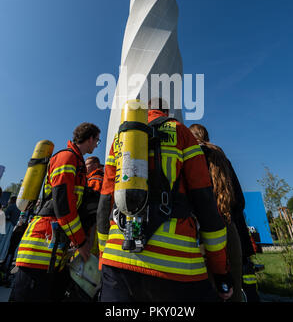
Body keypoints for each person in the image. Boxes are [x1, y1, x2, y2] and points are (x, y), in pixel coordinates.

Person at [97, 98, 233, 302]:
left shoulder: (121, 138)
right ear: (166, 111)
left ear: (148, 110)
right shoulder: (181, 132)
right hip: (177, 266)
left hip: (117, 259)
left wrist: (103, 256)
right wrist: (221, 271)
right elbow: (204, 198)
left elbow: (105, 202)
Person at [9, 122, 101, 302]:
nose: (96, 145)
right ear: (89, 138)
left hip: (52, 251)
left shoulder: (77, 162)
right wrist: (81, 242)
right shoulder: (67, 157)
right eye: (96, 140)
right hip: (40, 249)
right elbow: (63, 206)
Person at [189, 123, 259, 302]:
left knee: (207, 289)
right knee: (233, 290)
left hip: (202, 232)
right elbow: (240, 201)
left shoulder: (192, 158)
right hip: (229, 229)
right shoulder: (222, 158)